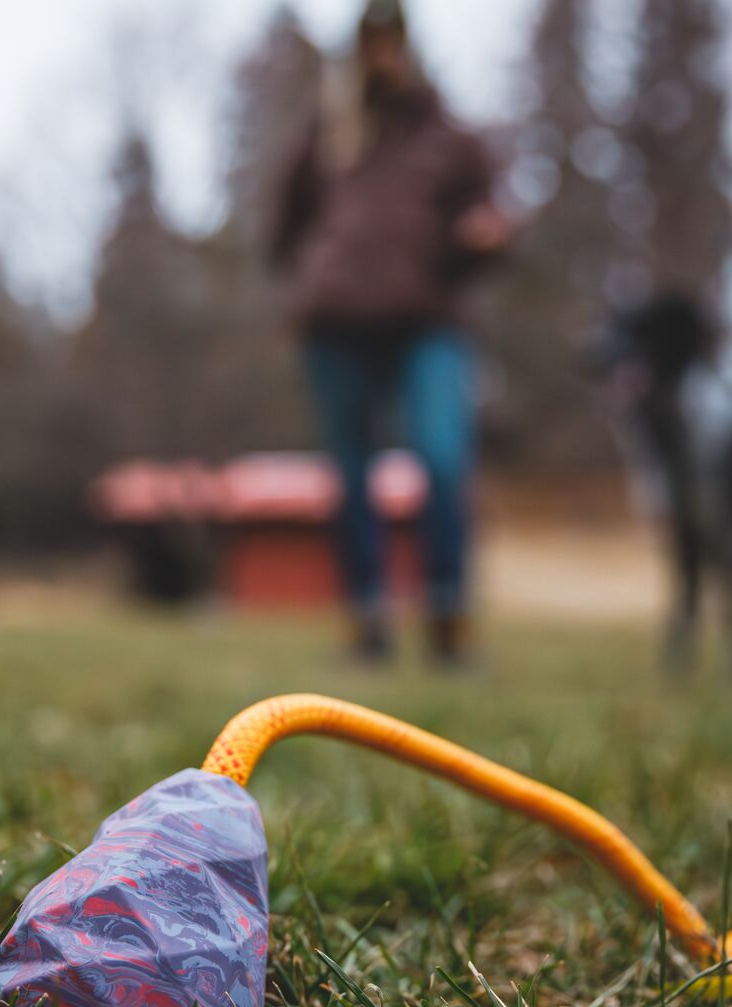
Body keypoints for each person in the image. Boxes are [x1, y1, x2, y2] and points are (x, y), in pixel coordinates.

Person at [271, 0, 510, 667]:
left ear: (408, 48)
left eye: (391, 42)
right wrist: (309, 283)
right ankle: (368, 623)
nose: (381, 56)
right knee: (351, 477)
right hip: (337, 327)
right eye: (370, 43)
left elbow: (489, 220)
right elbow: (282, 224)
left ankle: (447, 618)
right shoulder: (330, 130)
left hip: (425, 321)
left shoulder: (449, 137)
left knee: (441, 459)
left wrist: (486, 239)